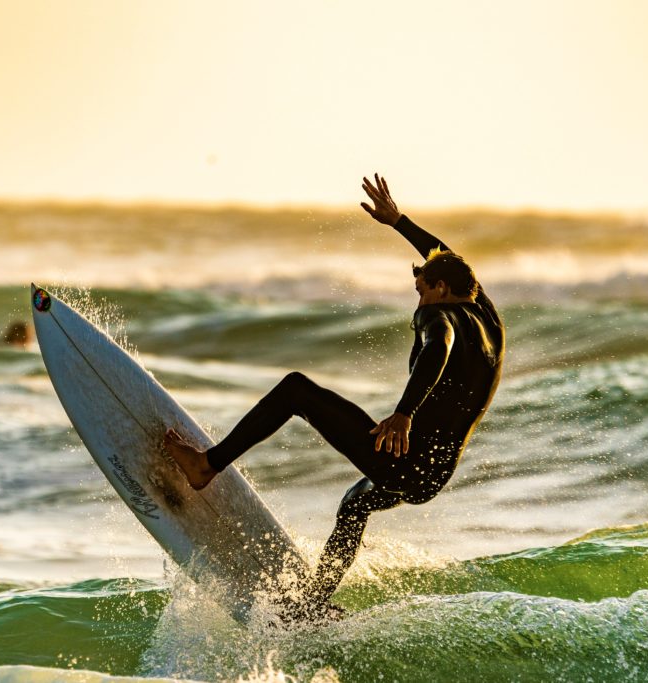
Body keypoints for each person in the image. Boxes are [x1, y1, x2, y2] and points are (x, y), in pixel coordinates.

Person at [164, 174, 505, 618]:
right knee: (355, 504)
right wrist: (398, 221)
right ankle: (313, 604)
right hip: (435, 473)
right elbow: (445, 255)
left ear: (441, 290)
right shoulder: (487, 320)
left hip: (407, 459)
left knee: (295, 391)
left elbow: (437, 348)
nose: (418, 300)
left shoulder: (439, 316)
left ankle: (205, 465)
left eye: (422, 290)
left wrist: (403, 414)